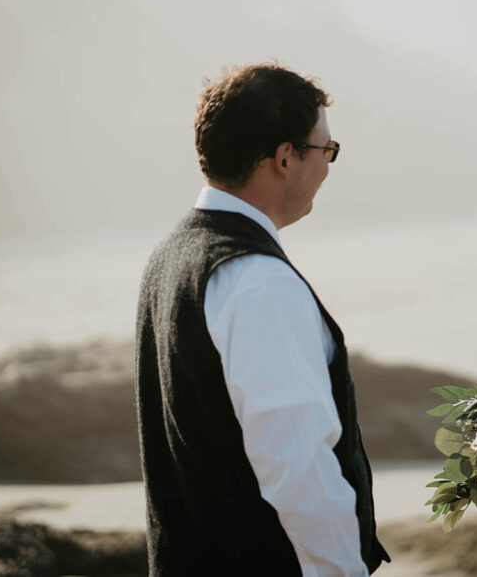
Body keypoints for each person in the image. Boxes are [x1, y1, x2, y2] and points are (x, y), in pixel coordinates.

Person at [135, 63, 390, 576]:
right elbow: (300, 473)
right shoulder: (258, 280)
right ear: (284, 157)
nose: (327, 166)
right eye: (327, 151)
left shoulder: (169, 258)